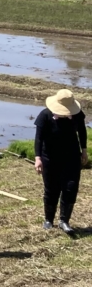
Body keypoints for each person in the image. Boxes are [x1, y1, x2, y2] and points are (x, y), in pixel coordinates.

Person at [34, 89, 87, 235]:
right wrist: (38, 158)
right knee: (52, 189)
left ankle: (64, 221)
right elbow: (38, 138)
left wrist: (84, 150)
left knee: (70, 188)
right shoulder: (45, 115)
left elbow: (82, 131)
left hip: (71, 157)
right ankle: (48, 220)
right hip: (49, 157)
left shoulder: (77, 115)